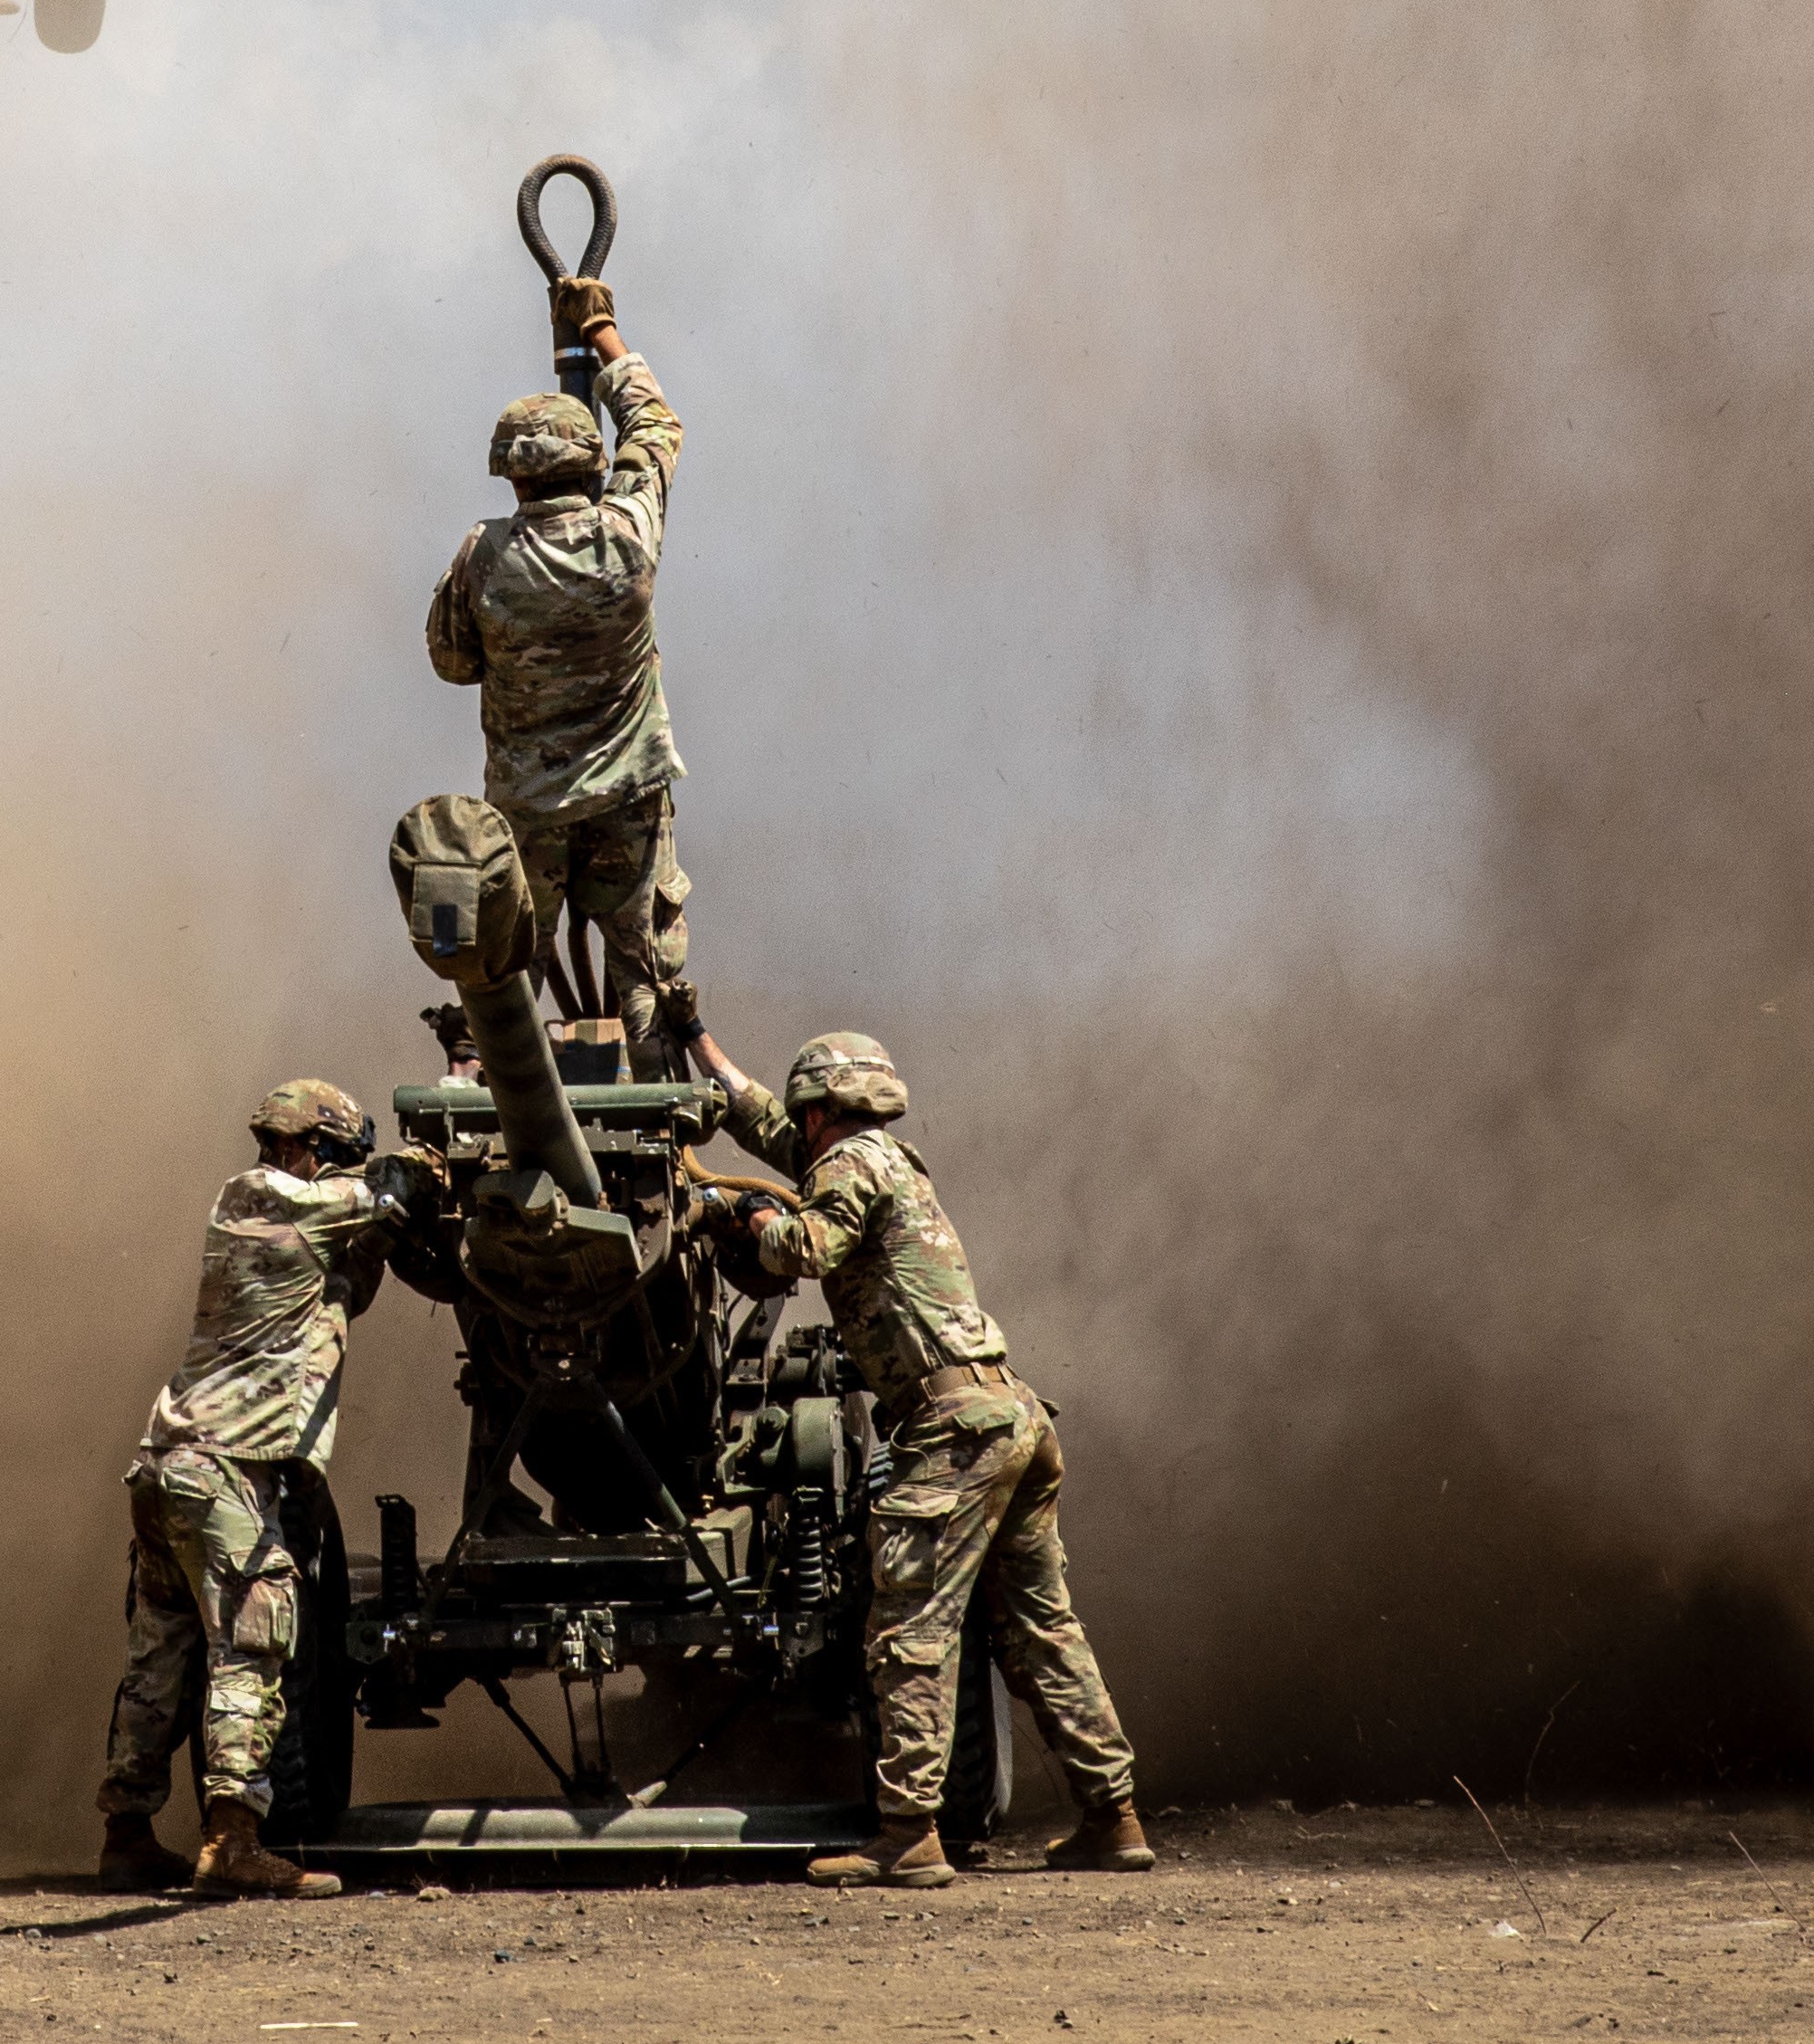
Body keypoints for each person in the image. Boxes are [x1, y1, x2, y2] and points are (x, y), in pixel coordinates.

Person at [693, 1030, 1153, 1886]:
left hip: (953, 1430)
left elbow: (802, 1249)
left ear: (822, 1109)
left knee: (910, 1631)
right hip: (1007, 1413)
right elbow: (763, 1126)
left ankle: (908, 1831)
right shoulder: (883, 1158)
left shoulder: (849, 1165)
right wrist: (697, 1043)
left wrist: (742, 1215)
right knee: (1038, 1630)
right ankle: (1114, 1817)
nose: (797, 1125)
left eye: (804, 1112)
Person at [97, 1076, 412, 1898]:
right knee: (254, 1643)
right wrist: (423, 1172)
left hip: (171, 1466)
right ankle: (232, 1842)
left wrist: (382, 1227)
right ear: (303, 1148)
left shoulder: (288, 1234)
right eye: (333, 1157)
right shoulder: (264, 1194)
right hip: (225, 1471)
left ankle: (126, 1834)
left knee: (159, 1658)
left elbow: (344, 1286)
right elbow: (382, 1194)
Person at [424, 283, 697, 1068]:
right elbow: (656, 426)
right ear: (590, 464)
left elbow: (451, 663)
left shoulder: (483, 556)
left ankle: (481, 1081)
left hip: (529, 808)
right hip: (630, 804)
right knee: (642, 973)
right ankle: (655, 1120)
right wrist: (601, 330)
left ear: (512, 478)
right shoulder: (630, 537)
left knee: (510, 966)